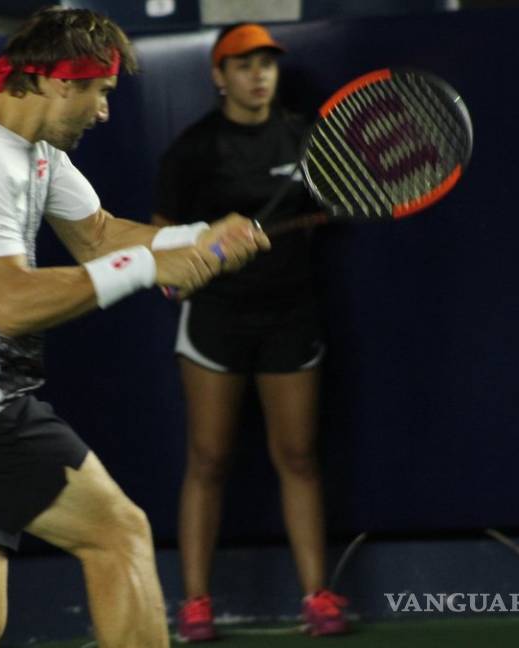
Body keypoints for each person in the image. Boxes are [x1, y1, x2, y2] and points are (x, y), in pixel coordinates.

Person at [0, 8, 271, 648]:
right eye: (98, 92)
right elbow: (9, 303)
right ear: (55, 82)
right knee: (119, 534)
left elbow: (98, 235)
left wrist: (200, 238)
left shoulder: (29, 145)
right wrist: (151, 264)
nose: (103, 111)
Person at [152, 23, 350, 640]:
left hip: (290, 319)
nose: (258, 74)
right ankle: (194, 604)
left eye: (266, 63)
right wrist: (183, 270)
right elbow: (161, 240)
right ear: (219, 76)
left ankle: (319, 597)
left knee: (297, 456)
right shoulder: (193, 150)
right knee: (208, 459)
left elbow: (338, 202)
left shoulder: (305, 138)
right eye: (243, 64)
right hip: (216, 321)